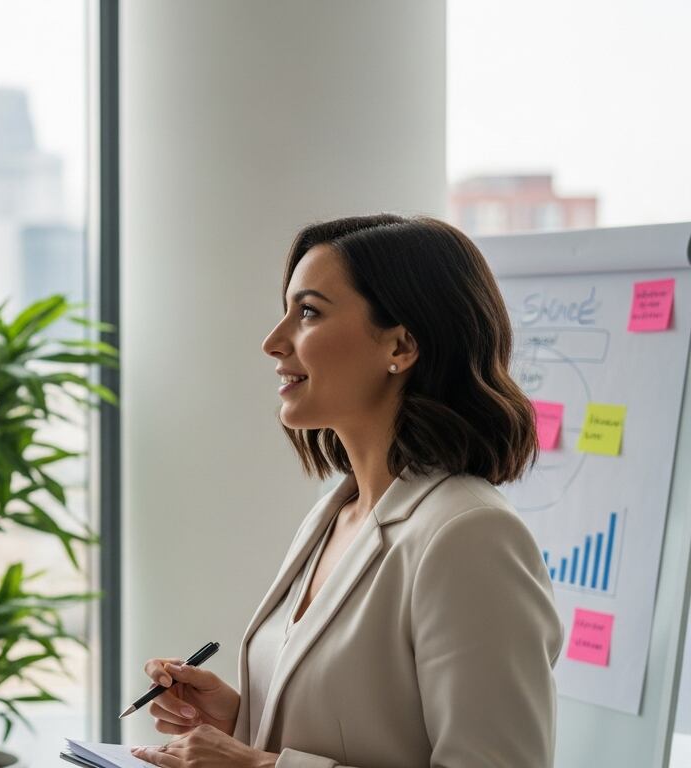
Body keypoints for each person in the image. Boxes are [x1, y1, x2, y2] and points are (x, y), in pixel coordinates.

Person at [130, 215, 562, 768]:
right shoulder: (334, 515)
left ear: (401, 345)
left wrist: (257, 766)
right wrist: (240, 723)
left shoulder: (470, 534)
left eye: (308, 312)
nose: (273, 342)